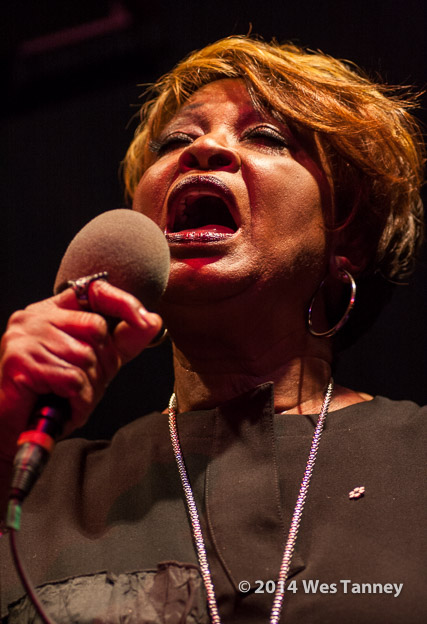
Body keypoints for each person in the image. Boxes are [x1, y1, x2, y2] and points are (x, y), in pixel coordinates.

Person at [0, 35, 425, 624]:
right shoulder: (31, 491)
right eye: (177, 140)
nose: (204, 149)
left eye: (266, 137)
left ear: (346, 233)